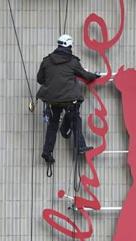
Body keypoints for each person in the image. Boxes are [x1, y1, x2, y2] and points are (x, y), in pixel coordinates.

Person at [36, 34, 100, 164]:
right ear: (69, 46)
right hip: (69, 99)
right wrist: (96, 76)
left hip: (52, 99)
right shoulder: (72, 61)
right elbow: (85, 75)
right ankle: (80, 146)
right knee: (75, 120)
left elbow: (40, 79)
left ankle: (47, 151)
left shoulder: (47, 61)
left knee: (53, 125)